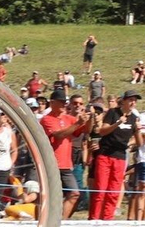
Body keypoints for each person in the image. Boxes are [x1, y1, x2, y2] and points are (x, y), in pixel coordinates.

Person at [38, 88, 90, 219]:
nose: (63, 105)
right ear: (52, 102)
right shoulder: (46, 119)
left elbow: (86, 130)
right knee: (50, 197)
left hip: (66, 165)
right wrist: (78, 122)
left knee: (74, 194)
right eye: (60, 102)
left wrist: (90, 119)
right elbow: (59, 135)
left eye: (64, 102)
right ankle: (44, 223)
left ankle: (59, 224)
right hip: (51, 164)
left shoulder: (69, 118)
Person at [88, 90, 139, 220]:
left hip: (120, 156)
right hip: (105, 154)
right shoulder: (113, 113)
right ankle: (94, 219)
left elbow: (140, 142)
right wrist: (117, 123)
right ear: (124, 100)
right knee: (100, 189)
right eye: (130, 100)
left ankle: (107, 219)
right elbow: (102, 131)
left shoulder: (134, 118)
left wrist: (135, 135)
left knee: (114, 191)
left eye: (135, 100)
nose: (133, 102)